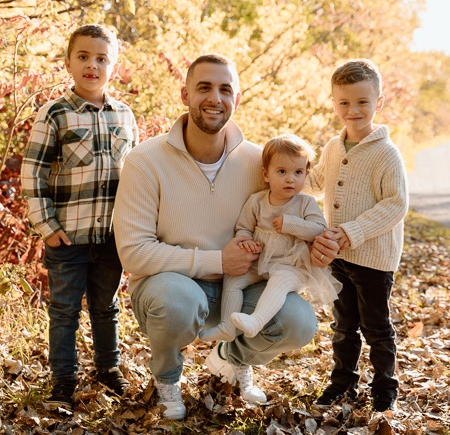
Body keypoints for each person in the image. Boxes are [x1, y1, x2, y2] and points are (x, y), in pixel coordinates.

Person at [112, 54, 319, 420]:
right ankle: (167, 379)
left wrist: (325, 239)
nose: (215, 98)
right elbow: (133, 253)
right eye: (204, 87)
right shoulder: (145, 161)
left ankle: (230, 357)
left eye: (225, 89)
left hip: (241, 286)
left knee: (300, 322)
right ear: (184, 94)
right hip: (170, 287)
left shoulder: (260, 162)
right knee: (178, 302)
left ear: (236, 100)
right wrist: (216, 260)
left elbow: (300, 206)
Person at [20, 24, 139, 410]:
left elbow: (136, 177)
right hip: (67, 237)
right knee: (64, 311)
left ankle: (108, 369)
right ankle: (64, 380)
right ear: (68, 62)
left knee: (106, 308)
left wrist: (134, 231)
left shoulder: (124, 115)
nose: (93, 65)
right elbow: (32, 172)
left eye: (102, 58)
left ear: (114, 65)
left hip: (110, 237)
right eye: (84, 57)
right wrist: (48, 228)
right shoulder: (54, 114)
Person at [304, 58, 408, 413]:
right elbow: (318, 181)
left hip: (373, 258)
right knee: (344, 324)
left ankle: (385, 389)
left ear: (378, 103)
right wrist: (281, 177)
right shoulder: (335, 146)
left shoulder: (386, 154)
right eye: (344, 102)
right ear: (333, 103)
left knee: (376, 326)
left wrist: (350, 232)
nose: (353, 110)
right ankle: (343, 382)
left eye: (363, 102)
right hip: (338, 256)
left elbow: (395, 205)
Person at [199, 134, 341, 342]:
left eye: (298, 172)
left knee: (280, 281)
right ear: (266, 175)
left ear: (306, 175)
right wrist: (245, 240)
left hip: (292, 265)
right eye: (282, 172)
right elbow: (244, 227)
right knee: (234, 277)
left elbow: (318, 230)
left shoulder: (305, 204)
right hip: (260, 261)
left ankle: (256, 321)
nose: (290, 179)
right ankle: (227, 326)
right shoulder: (257, 201)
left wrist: (291, 224)